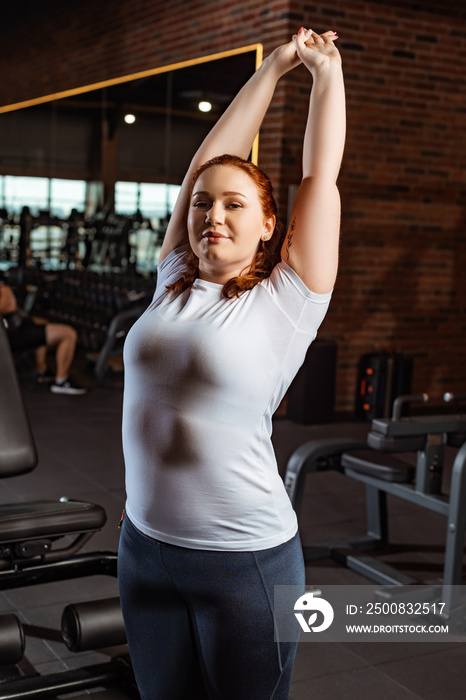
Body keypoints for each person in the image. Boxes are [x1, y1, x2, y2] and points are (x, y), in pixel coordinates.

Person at [118, 26, 345, 700]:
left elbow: (319, 177)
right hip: (144, 549)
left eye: (234, 204)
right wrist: (271, 69)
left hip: (242, 563)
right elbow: (209, 159)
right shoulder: (173, 279)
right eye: (202, 203)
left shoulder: (286, 302)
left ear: (269, 225)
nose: (212, 213)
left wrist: (324, 75)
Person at [0, 281, 87, 395]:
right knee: (68, 333)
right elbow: (9, 306)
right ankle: (61, 381)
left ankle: (41, 369)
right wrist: (5, 289)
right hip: (12, 335)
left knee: (42, 323)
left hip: (17, 326)